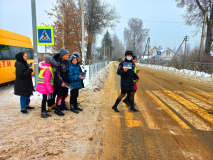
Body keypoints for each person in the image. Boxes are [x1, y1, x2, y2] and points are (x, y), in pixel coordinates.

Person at [53, 48, 69, 116]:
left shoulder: (66, 61)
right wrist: (61, 82)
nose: (67, 56)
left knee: (65, 94)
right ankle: (58, 109)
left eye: (68, 55)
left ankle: (62, 105)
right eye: (66, 55)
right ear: (62, 55)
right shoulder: (57, 62)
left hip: (66, 82)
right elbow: (57, 74)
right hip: (59, 83)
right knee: (60, 96)